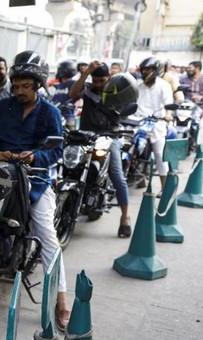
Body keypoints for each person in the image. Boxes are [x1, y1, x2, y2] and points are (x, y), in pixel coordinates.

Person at [0, 50, 70, 330]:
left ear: (38, 86)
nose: (18, 90)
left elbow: (56, 150)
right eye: (16, 86)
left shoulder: (50, 112)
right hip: (0, 175)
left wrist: (34, 157)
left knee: (46, 234)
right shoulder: (2, 108)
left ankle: (61, 298)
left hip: (36, 179)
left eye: (25, 86)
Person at [69, 61, 136, 238]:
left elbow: (129, 107)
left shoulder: (117, 92)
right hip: (85, 136)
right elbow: (73, 93)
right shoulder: (88, 88)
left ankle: (125, 217)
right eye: (95, 80)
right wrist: (86, 73)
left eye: (102, 81)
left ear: (109, 79)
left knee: (117, 174)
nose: (98, 84)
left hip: (109, 137)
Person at [134, 56, 173, 192]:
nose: (145, 72)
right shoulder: (137, 85)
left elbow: (168, 103)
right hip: (137, 122)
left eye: (148, 69)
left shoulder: (164, 86)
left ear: (156, 70)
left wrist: (168, 115)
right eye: (143, 69)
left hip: (157, 123)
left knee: (160, 155)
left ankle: (164, 189)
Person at [51, 60, 79, 129]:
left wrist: (75, 104)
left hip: (68, 115)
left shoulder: (73, 83)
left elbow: (79, 98)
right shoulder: (58, 85)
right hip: (56, 113)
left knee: (71, 127)